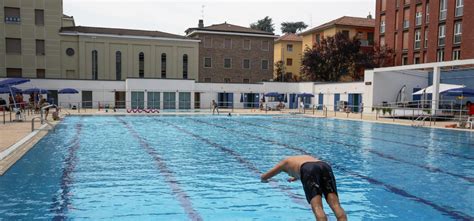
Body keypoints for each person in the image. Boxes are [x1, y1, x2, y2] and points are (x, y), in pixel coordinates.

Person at [261, 155, 347, 221]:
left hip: (308, 169)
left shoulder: (283, 163)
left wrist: (263, 179)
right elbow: (311, 168)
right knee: (335, 205)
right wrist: (295, 178)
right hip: (324, 165)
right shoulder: (301, 159)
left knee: (317, 207)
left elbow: (265, 176)